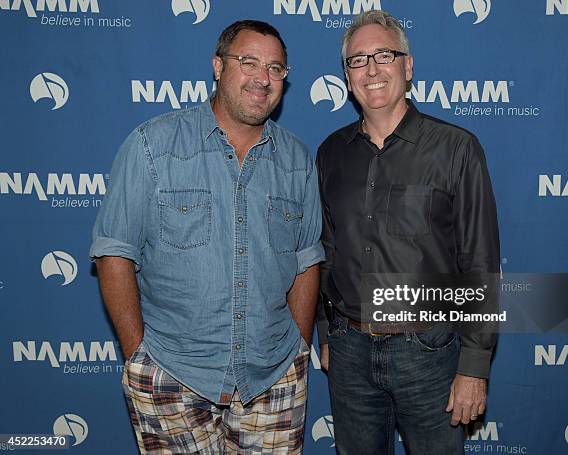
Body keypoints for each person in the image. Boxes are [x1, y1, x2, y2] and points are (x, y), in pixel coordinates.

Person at [90, 20, 324, 454]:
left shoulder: (296, 159)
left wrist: (298, 348)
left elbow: (307, 259)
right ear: (218, 66)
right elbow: (114, 253)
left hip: (273, 379)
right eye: (248, 62)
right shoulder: (151, 146)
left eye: (276, 68)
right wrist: (138, 354)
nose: (262, 78)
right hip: (172, 375)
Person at [316, 10, 500, 455]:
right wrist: (325, 331)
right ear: (346, 76)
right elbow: (324, 247)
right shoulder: (331, 152)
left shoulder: (457, 148)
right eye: (358, 61)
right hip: (348, 351)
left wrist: (474, 367)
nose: (372, 69)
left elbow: (480, 263)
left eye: (384, 55)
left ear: (408, 66)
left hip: (429, 352)